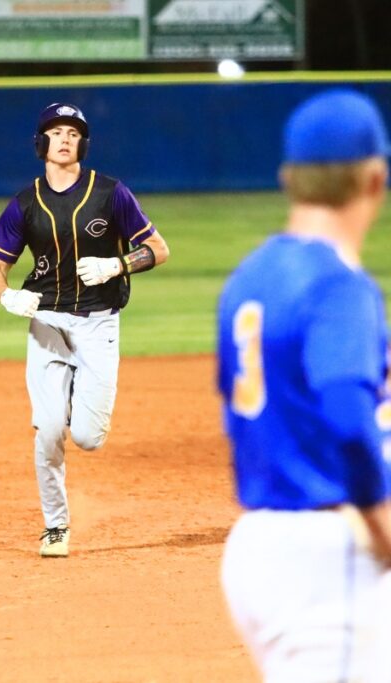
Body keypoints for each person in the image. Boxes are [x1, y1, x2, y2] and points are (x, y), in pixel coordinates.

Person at [217, 88, 391, 681]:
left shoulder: (249, 277)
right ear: (375, 180)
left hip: (258, 547)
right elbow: (346, 413)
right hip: (327, 551)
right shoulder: (339, 285)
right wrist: (381, 516)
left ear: (288, 178)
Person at [0, 102, 170, 557]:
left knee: (87, 437)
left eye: (73, 132)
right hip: (46, 322)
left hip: (98, 323)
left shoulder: (111, 194)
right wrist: (7, 296)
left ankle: (69, 399)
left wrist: (117, 264)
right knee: (48, 429)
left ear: (82, 144)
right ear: (41, 143)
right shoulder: (25, 203)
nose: (64, 138)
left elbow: (158, 250)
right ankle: (55, 526)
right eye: (56, 131)